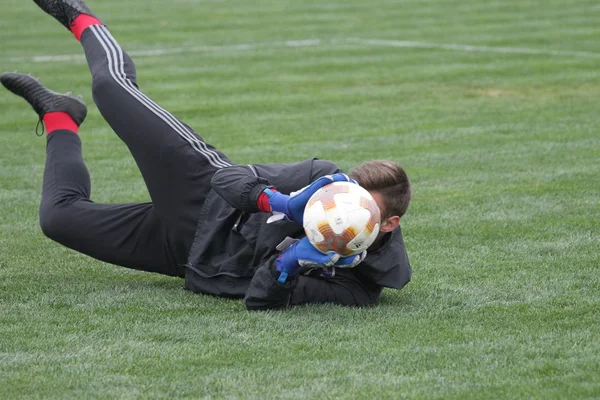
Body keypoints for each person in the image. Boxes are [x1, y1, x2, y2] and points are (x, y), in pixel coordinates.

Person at [1, 0, 412, 310]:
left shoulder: (359, 287)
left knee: (58, 218)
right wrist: (282, 202)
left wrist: (288, 264)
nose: (335, 213)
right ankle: (78, 15)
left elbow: (259, 299)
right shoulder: (323, 179)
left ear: (389, 224)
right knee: (111, 88)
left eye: (363, 213)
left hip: (181, 254)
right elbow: (227, 179)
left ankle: (60, 116)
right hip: (198, 192)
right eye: (345, 197)